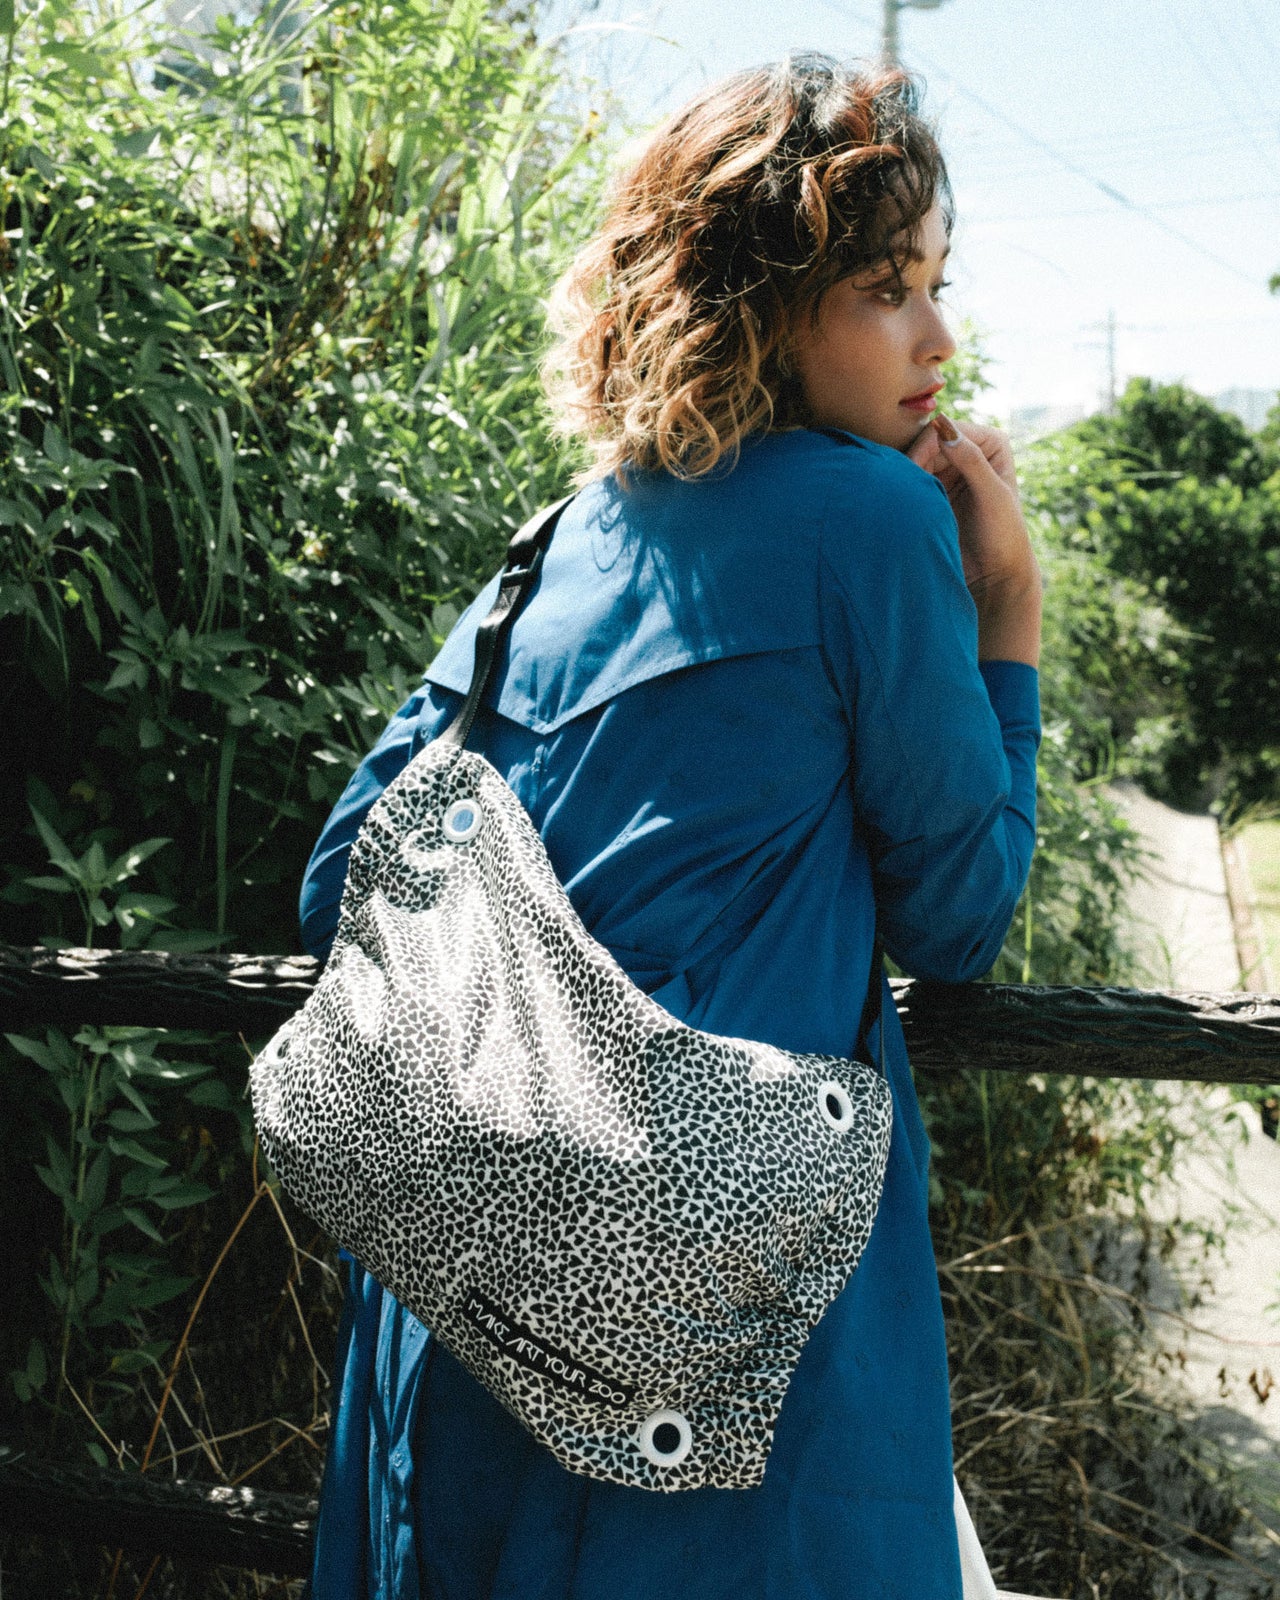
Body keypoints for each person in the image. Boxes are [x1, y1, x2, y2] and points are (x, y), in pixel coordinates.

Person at [297, 51, 1042, 1600]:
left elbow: (337, 880)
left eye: (936, 283)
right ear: (757, 301)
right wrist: (1009, 612)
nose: (937, 337)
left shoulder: (560, 536)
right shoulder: (875, 521)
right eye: (885, 290)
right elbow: (962, 912)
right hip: (713, 1330)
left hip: (466, 1316)